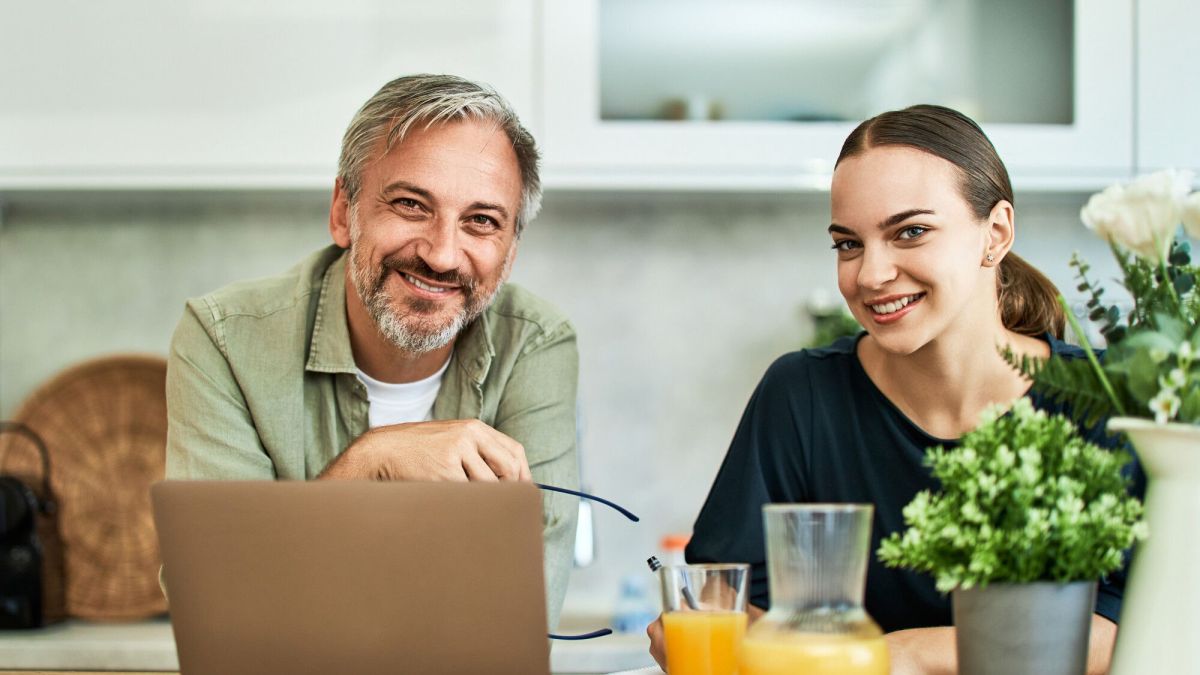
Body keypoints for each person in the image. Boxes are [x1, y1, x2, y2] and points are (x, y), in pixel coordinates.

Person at [647, 105, 1144, 674]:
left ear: (996, 232)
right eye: (848, 244)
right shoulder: (802, 394)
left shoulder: (1106, 400)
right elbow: (721, 600)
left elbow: (1135, 622)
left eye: (911, 232)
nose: (869, 275)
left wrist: (898, 656)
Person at [164, 74, 579, 629]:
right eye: (411, 204)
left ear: (509, 252)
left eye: (481, 221)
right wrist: (373, 460)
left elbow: (520, 615)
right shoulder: (224, 337)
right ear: (344, 212)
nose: (441, 254)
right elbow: (216, 602)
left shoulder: (538, 344)